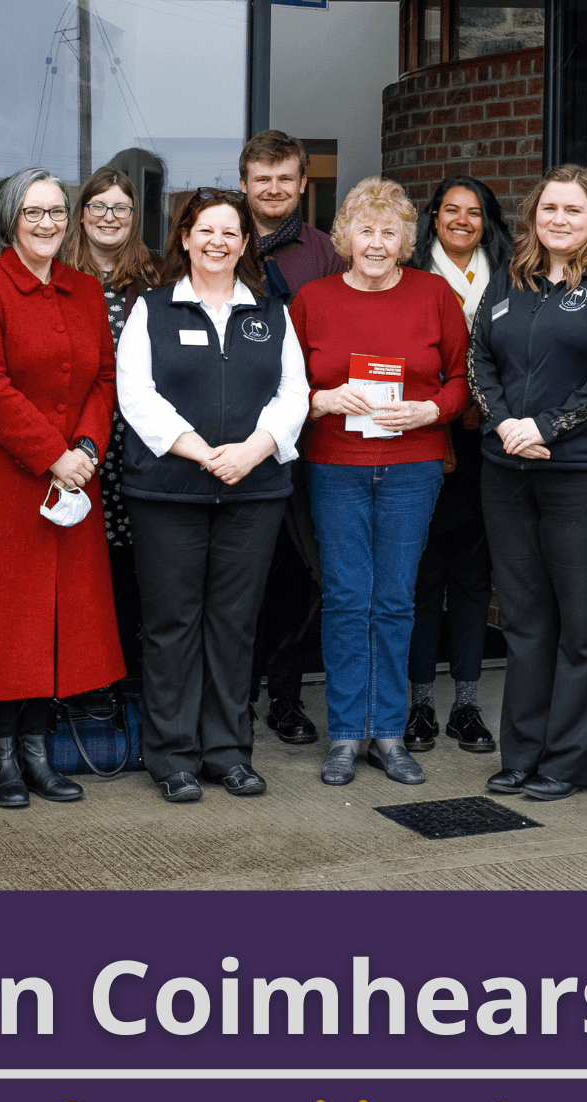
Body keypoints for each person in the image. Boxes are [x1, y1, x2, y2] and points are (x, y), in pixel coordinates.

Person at [0, 168, 125, 808]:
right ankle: (2, 756)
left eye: (57, 212)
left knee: (59, 615)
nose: (47, 224)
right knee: (5, 619)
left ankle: (39, 751)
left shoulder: (86, 290)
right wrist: (52, 457)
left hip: (74, 478)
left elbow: (103, 380)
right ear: (9, 218)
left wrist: (87, 451)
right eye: (33, 212)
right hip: (6, 477)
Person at [115, 189, 309, 802]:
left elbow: (294, 394)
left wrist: (254, 450)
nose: (218, 242)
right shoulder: (152, 309)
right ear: (186, 239)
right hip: (169, 493)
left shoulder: (270, 312)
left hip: (253, 494)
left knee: (234, 625)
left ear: (246, 243)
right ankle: (172, 756)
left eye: (231, 232)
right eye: (206, 231)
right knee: (172, 625)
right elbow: (136, 395)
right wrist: (201, 451)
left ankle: (228, 752)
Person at [471, 165, 587, 802]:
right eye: (550, 208)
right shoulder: (510, 277)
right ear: (534, 214)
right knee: (523, 621)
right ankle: (520, 754)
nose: (559, 220)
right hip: (508, 472)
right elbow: (478, 358)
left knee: (580, 623)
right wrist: (501, 423)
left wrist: (546, 426)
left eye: (573, 210)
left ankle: (571, 761)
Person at [290, 177, 469, 786]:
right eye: (364, 230)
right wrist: (321, 399)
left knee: (395, 599)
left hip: (413, 466)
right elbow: (288, 387)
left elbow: (464, 377)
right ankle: (345, 733)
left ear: (406, 240)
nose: (375, 242)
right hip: (335, 464)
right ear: (344, 236)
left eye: (388, 231)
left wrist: (431, 411)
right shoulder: (312, 299)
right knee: (345, 598)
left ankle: (388, 733)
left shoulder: (435, 294)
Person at [240, 130, 349, 747]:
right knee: (243, 576)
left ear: (303, 185)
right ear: (246, 183)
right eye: (263, 178)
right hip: (234, 440)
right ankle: (236, 699)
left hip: (309, 440)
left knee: (304, 574)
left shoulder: (328, 254)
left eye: (286, 178)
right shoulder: (222, 238)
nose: (274, 189)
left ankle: (284, 696)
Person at [403, 175, 511, 756]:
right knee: (425, 579)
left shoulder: (513, 272)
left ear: (486, 219)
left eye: (474, 212)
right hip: (428, 441)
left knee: (474, 579)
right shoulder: (413, 273)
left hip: (491, 445)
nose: (462, 221)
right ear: (434, 217)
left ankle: (466, 704)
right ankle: (420, 704)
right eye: (451, 210)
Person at [62, 166, 162, 685]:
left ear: (133, 218)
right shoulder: (57, 274)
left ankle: (127, 686)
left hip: (139, 444)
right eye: (98, 206)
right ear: (81, 214)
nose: (109, 216)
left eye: (121, 207)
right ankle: (83, 685)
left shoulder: (156, 279)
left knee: (130, 572)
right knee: (80, 567)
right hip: (75, 442)